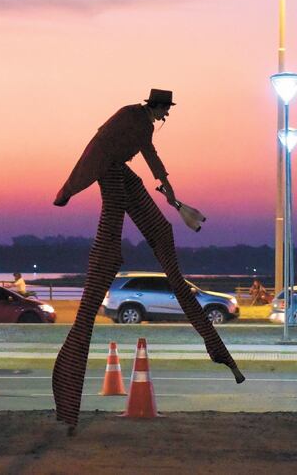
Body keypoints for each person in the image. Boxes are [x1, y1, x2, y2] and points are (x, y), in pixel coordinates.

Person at [52, 88, 244, 433]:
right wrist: (70, 187)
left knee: (162, 233)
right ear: (155, 106)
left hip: (122, 172)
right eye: (164, 110)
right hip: (108, 172)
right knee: (108, 251)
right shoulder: (131, 117)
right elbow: (100, 149)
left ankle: (216, 347)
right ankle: (69, 398)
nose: (165, 116)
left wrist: (169, 190)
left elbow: (150, 155)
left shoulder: (143, 125)